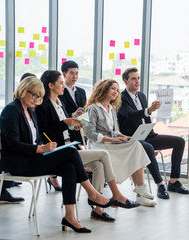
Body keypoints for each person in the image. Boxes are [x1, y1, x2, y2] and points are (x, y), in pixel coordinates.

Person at [0, 76, 117, 233]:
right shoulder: (11, 110)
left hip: (33, 159)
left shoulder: (30, 111)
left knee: (69, 166)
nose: (36, 100)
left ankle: (70, 217)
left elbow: (37, 138)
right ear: (23, 90)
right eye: (33, 95)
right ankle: (92, 193)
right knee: (70, 151)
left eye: (39, 97)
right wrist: (39, 149)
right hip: (19, 164)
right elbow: (12, 144)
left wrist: (46, 146)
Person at [36, 70, 140, 220]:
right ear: (51, 85)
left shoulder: (61, 103)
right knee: (103, 155)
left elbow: (66, 129)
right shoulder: (43, 107)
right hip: (57, 150)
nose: (63, 85)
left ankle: (96, 208)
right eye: (60, 82)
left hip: (70, 146)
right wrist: (65, 123)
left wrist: (73, 125)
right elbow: (45, 133)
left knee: (98, 164)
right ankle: (115, 194)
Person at [118, 67, 189, 200]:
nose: (137, 81)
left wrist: (150, 128)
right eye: (133, 79)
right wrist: (149, 109)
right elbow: (131, 115)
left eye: (138, 78)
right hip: (133, 139)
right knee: (148, 148)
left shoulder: (142, 96)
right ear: (125, 81)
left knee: (179, 142)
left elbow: (146, 119)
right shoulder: (121, 98)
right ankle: (160, 185)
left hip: (148, 135)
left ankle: (174, 181)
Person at [85, 79, 156, 207]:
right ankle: (140, 187)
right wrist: (113, 139)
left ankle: (140, 186)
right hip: (98, 145)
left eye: (117, 90)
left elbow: (114, 131)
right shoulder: (93, 108)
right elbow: (91, 134)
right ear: (104, 89)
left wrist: (124, 136)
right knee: (136, 147)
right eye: (113, 89)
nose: (116, 92)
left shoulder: (111, 109)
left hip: (110, 143)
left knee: (136, 145)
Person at [59, 60, 85, 143]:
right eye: (71, 73)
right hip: (66, 132)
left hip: (80, 130)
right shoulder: (59, 92)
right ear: (64, 74)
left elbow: (84, 110)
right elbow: (60, 114)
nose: (75, 76)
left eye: (76, 73)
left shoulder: (81, 91)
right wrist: (73, 115)